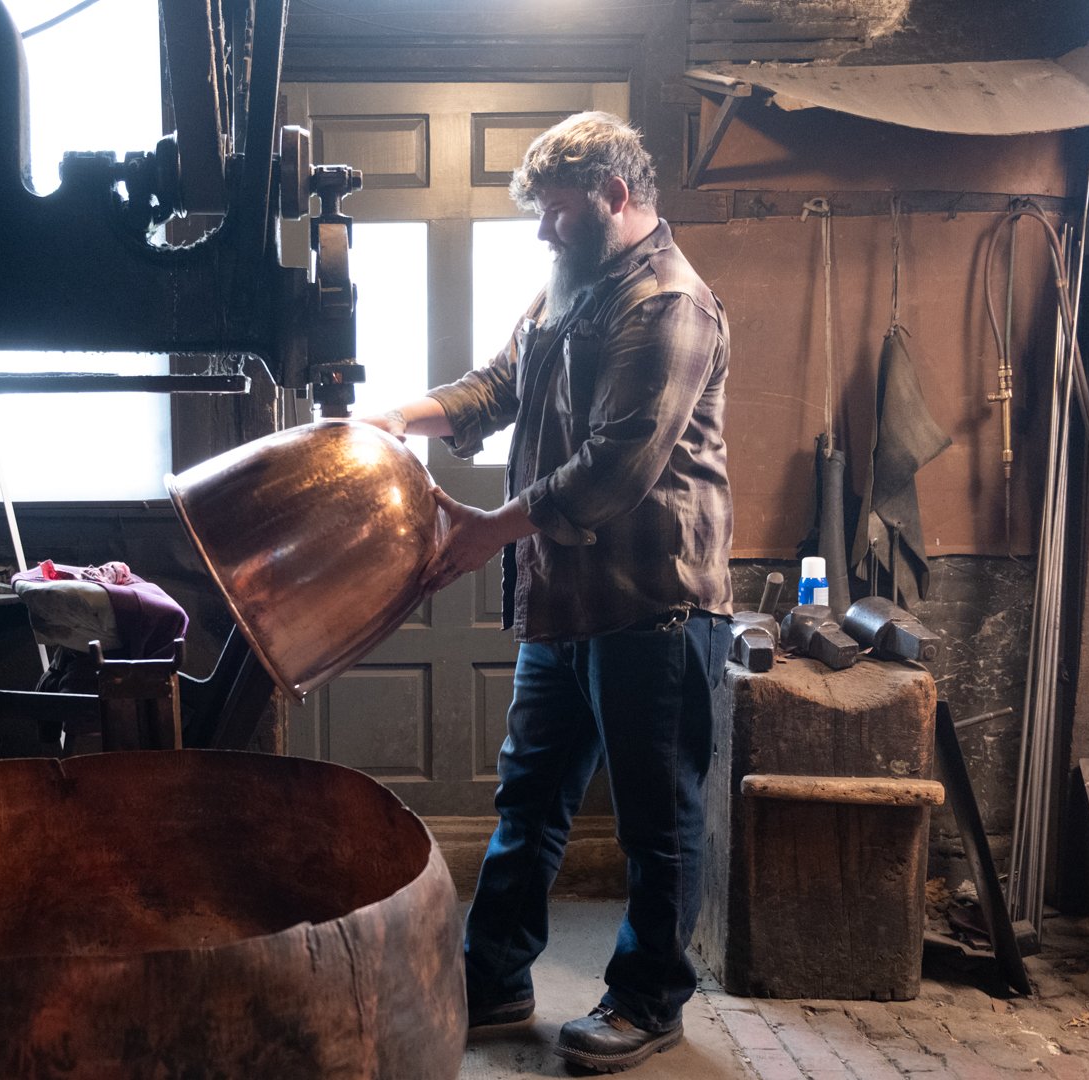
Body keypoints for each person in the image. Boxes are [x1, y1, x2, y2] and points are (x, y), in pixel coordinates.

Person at [361, 111, 734, 1074]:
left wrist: (488, 529)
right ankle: (497, 978)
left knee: (659, 821)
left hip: (654, 602)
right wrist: (405, 414)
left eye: (558, 214)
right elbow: (499, 385)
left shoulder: (669, 305)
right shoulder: (569, 289)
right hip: (564, 599)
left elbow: (615, 469)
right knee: (528, 799)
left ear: (616, 197)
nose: (543, 234)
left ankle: (649, 1001)